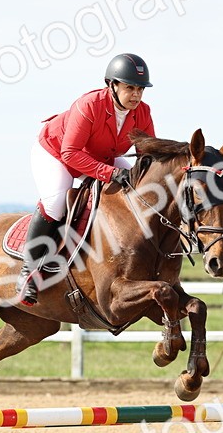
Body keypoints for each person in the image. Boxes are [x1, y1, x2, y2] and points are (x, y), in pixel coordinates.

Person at [17, 52, 156, 305]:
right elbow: (70, 153)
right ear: (112, 85)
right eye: (129, 88)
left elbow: (147, 154)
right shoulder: (89, 105)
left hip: (99, 155)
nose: (136, 94)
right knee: (56, 203)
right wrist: (111, 173)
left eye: (140, 89)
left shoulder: (143, 112)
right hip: (56, 153)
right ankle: (28, 270)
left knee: (138, 187)